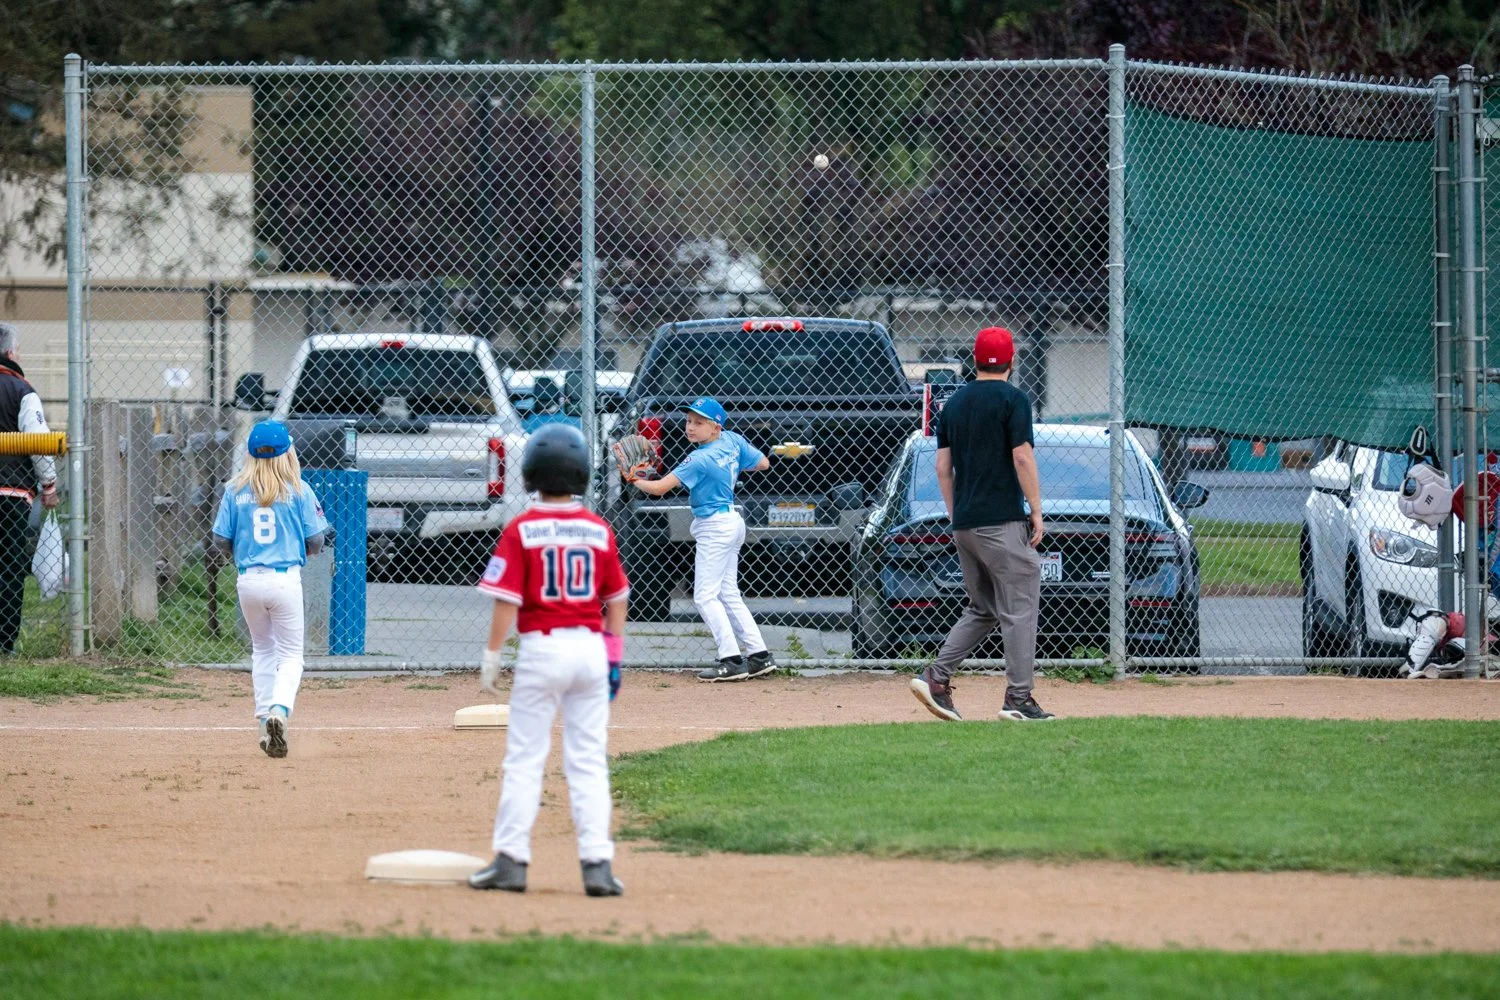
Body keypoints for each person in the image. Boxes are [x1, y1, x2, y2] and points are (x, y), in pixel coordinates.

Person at [469, 423, 630, 897]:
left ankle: (512, 861)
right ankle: (597, 866)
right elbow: (617, 599)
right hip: (590, 649)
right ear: (581, 473)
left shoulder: (522, 528)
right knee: (588, 761)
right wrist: (614, 658)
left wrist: (492, 655)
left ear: (531, 473)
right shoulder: (599, 529)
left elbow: (506, 600)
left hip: (542, 648)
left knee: (525, 759)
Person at [909, 327, 1055, 722]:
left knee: (985, 607)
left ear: (973, 361)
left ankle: (935, 679)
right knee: (1020, 609)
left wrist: (958, 514)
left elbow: (943, 467)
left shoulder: (954, 404)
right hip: (1002, 521)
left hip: (966, 523)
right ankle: (1019, 699)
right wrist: (1037, 512)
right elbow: (1022, 458)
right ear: (1012, 361)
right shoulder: (1014, 399)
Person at [622, 397, 776, 682]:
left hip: (715, 526)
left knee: (705, 596)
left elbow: (658, 489)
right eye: (689, 421)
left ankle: (731, 659)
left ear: (715, 427)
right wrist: (729, 466)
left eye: (699, 423)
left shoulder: (699, 459)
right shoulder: (732, 440)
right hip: (732, 520)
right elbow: (764, 464)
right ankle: (759, 655)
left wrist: (633, 478)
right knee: (727, 592)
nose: (690, 427)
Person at [211, 421, 328, 758]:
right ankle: (280, 710)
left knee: (262, 651)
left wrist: (240, 553)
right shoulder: (299, 489)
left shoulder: (234, 489)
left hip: (249, 580)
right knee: (291, 656)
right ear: (286, 453)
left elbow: (221, 539)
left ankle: (264, 723)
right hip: (285, 579)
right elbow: (316, 540)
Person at [0, 323, 60, 657]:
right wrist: (48, 485)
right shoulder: (22, 391)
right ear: (10, 353)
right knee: (9, 566)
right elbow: (38, 443)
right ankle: (4, 642)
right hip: (11, 492)